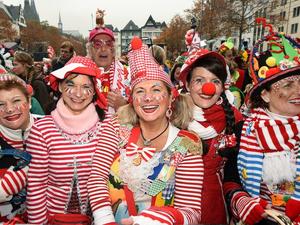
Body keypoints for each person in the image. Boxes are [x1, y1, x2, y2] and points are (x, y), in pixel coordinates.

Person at [88, 37, 203, 225]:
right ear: (132, 100)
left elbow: (191, 212)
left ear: (171, 98)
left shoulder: (186, 145)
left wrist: (156, 220)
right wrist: (105, 220)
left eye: (156, 90)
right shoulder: (115, 129)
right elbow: (96, 178)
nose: (148, 98)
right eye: (140, 91)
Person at [25, 56, 120, 224]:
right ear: (60, 86)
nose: (78, 93)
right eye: (71, 85)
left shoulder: (108, 126)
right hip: (54, 221)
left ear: (94, 91)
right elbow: (36, 188)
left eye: (86, 87)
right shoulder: (42, 130)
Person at [225, 30, 300, 224]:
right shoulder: (244, 130)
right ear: (265, 95)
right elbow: (231, 180)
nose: (298, 91)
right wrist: (246, 205)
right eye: (288, 84)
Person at [179, 48, 244, 224]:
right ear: (187, 84)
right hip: (175, 201)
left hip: (214, 204)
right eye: (199, 80)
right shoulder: (172, 115)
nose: (207, 88)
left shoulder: (236, 120)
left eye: (215, 81)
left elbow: (237, 172)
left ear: (223, 86)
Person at [0, 73, 34, 222]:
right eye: (1, 104)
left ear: (29, 101)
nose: (9, 109)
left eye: (16, 101)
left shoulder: (52, 129)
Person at [88, 9, 129, 115]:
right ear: (90, 50)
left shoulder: (127, 75)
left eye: (108, 44)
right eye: (97, 44)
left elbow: (142, 113)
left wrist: (123, 106)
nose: (103, 49)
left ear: (113, 50)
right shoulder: (81, 75)